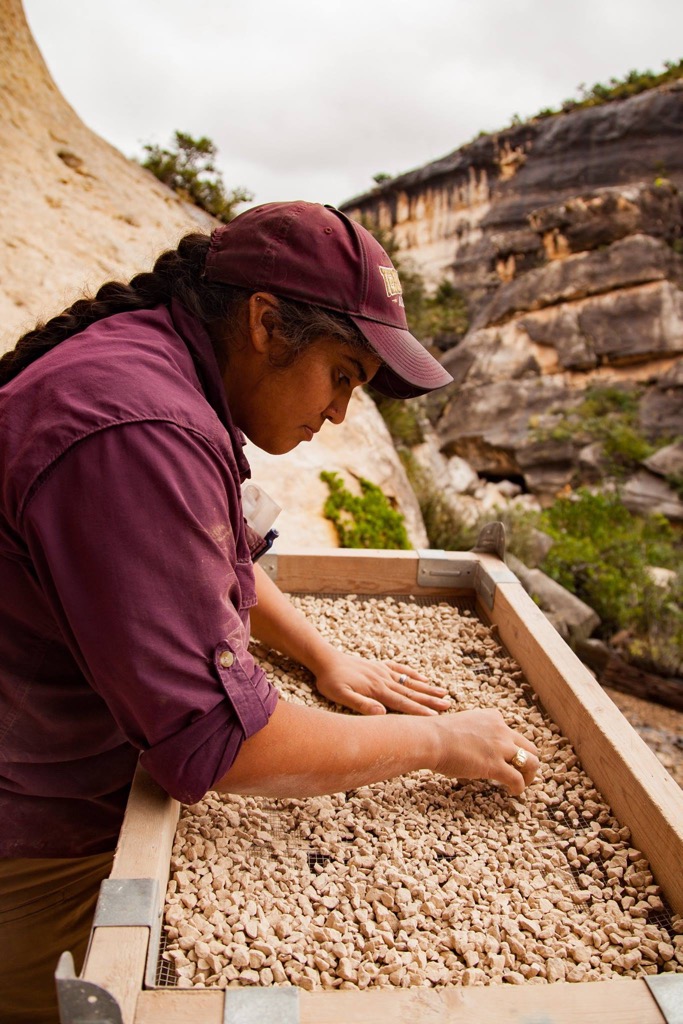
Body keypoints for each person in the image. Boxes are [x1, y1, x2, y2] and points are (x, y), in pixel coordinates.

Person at [0, 201, 539, 1022]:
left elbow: (210, 560)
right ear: (264, 322)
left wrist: (322, 655)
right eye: (343, 376)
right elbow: (216, 746)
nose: (337, 415)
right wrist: (437, 740)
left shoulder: (154, 371)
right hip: (30, 836)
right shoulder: (139, 426)